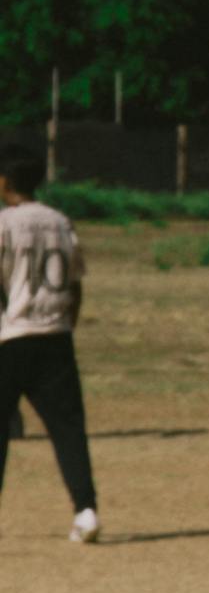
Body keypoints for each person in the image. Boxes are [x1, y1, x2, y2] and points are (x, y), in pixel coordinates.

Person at [0, 139, 100, 542]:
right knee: (68, 429)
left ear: (4, 181)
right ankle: (86, 511)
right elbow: (75, 284)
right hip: (55, 336)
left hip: (10, 337)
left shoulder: (4, 223)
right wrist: (66, 324)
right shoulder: (61, 221)